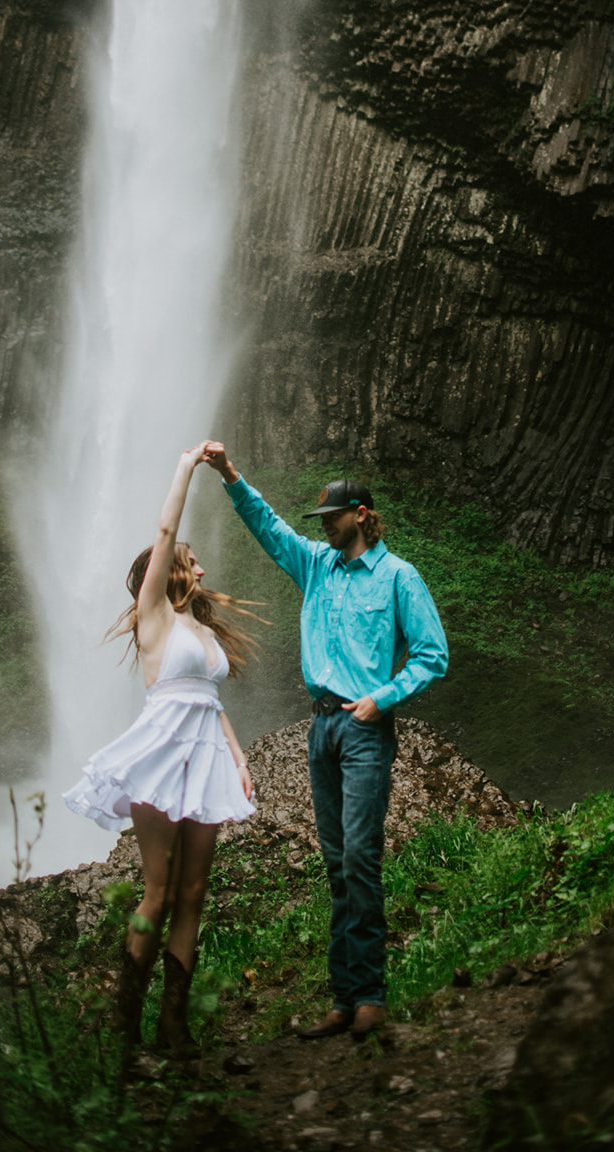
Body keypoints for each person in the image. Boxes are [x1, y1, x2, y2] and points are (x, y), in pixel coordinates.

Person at [202, 442, 448, 1039]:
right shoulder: (316, 564)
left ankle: (370, 997)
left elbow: (432, 655)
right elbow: (269, 527)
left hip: (364, 729)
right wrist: (232, 475)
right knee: (337, 863)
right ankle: (344, 998)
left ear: (360, 513)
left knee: (361, 857)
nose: (324, 527)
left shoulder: (398, 577)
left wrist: (381, 699)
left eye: (332, 517)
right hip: (320, 729)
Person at [63, 445, 260, 1057]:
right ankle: (126, 1018)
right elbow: (166, 527)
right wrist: (186, 466)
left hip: (204, 758)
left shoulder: (201, 629)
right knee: (159, 888)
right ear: (167, 569)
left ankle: (172, 1024)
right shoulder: (154, 618)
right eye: (192, 564)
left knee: (195, 892)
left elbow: (208, 699)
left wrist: (239, 755)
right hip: (159, 756)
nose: (201, 572)